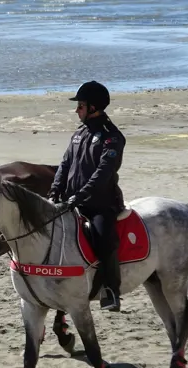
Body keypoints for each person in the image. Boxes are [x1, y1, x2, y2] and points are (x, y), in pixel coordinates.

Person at [48, 81, 126, 311]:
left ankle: (111, 290)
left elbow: (103, 173)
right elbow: (64, 165)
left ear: (94, 107)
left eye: (80, 105)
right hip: (73, 201)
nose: (77, 110)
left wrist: (79, 197)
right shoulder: (79, 134)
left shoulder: (112, 137)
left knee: (104, 238)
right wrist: (54, 191)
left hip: (100, 204)